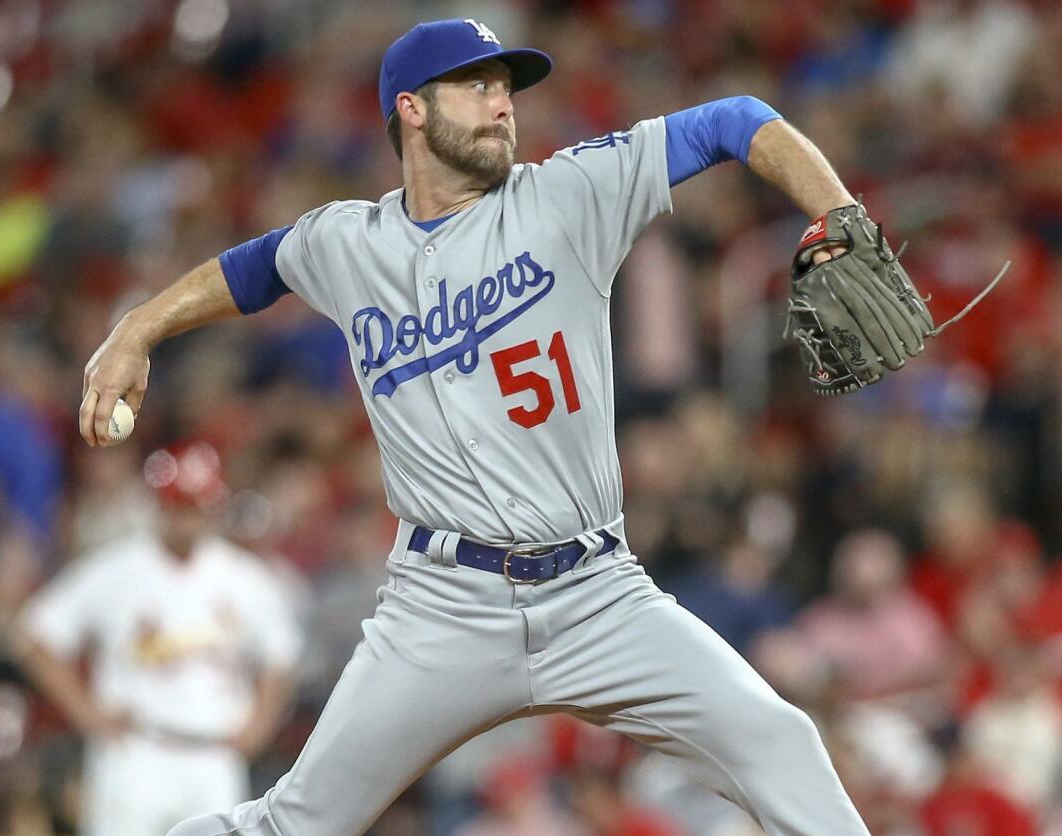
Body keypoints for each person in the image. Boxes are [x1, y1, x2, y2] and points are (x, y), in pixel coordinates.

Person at [82, 18, 870, 835]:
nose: (504, 107)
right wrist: (137, 327)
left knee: (778, 741)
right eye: (479, 86)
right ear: (412, 109)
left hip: (596, 592)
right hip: (441, 609)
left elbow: (735, 118)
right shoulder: (347, 242)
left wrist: (838, 212)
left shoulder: (568, 195)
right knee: (295, 823)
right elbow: (250, 271)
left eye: (507, 89)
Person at [14, 441, 301, 836]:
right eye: (177, 505)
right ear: (159, 505)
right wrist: (85, 712)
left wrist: (260, 724)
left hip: (214, 754)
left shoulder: (244, 577)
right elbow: (36, 636)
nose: (187, 519)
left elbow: (281, 658)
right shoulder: (119, 569)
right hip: (135, 753)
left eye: (195, 506)